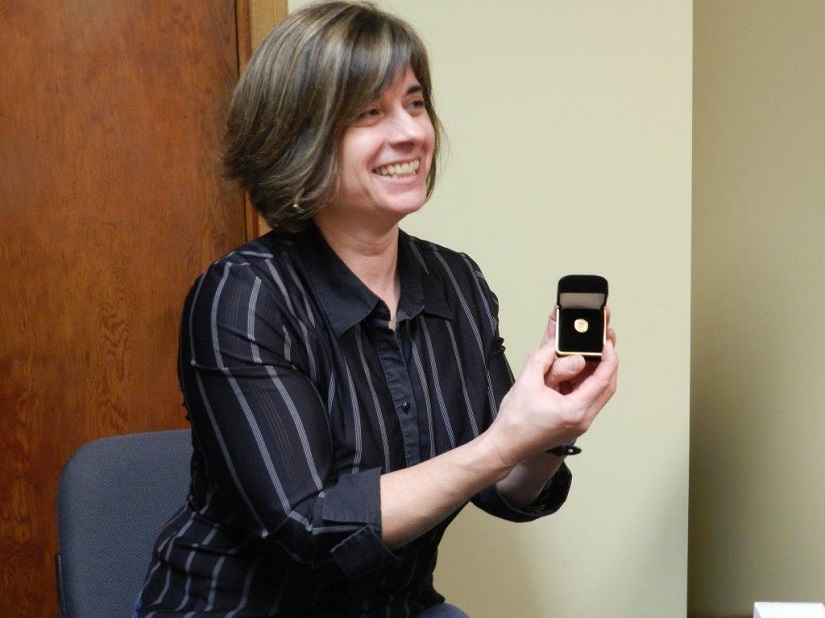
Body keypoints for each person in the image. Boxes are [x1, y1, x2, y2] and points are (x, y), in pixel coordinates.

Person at [135, 2, 618, 617]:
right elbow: (310, 531)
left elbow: (505, 490)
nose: (411, 132)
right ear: (297, 136)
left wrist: (553, 429)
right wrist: (505, 441)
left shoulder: (455, 281)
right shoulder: (244, 296)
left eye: (415, 104)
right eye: (370, 112)